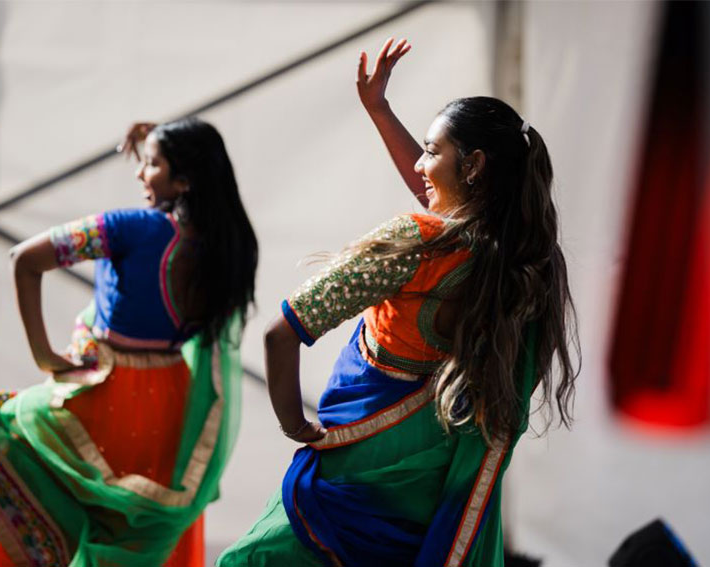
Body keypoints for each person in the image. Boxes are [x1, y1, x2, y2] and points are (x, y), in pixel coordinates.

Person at [217, 38, 578, 567]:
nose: (420, 167)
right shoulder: (523, 262)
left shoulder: (418, 243)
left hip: (349, 477)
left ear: (473, 165)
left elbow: (280, 333)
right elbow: (444, 210)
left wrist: (297, 427)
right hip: (423, 493)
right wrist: (380, 111)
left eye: (433, 152)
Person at [0, 117, 258, 566]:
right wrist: (155, 142)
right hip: (173, 408)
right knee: (135, 527)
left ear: (182, 180)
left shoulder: (128, 228)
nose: (141, 172)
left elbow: (24, 260)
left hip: (109, 399)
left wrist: (44, 355)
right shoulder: (227, 248)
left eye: (152, 165)